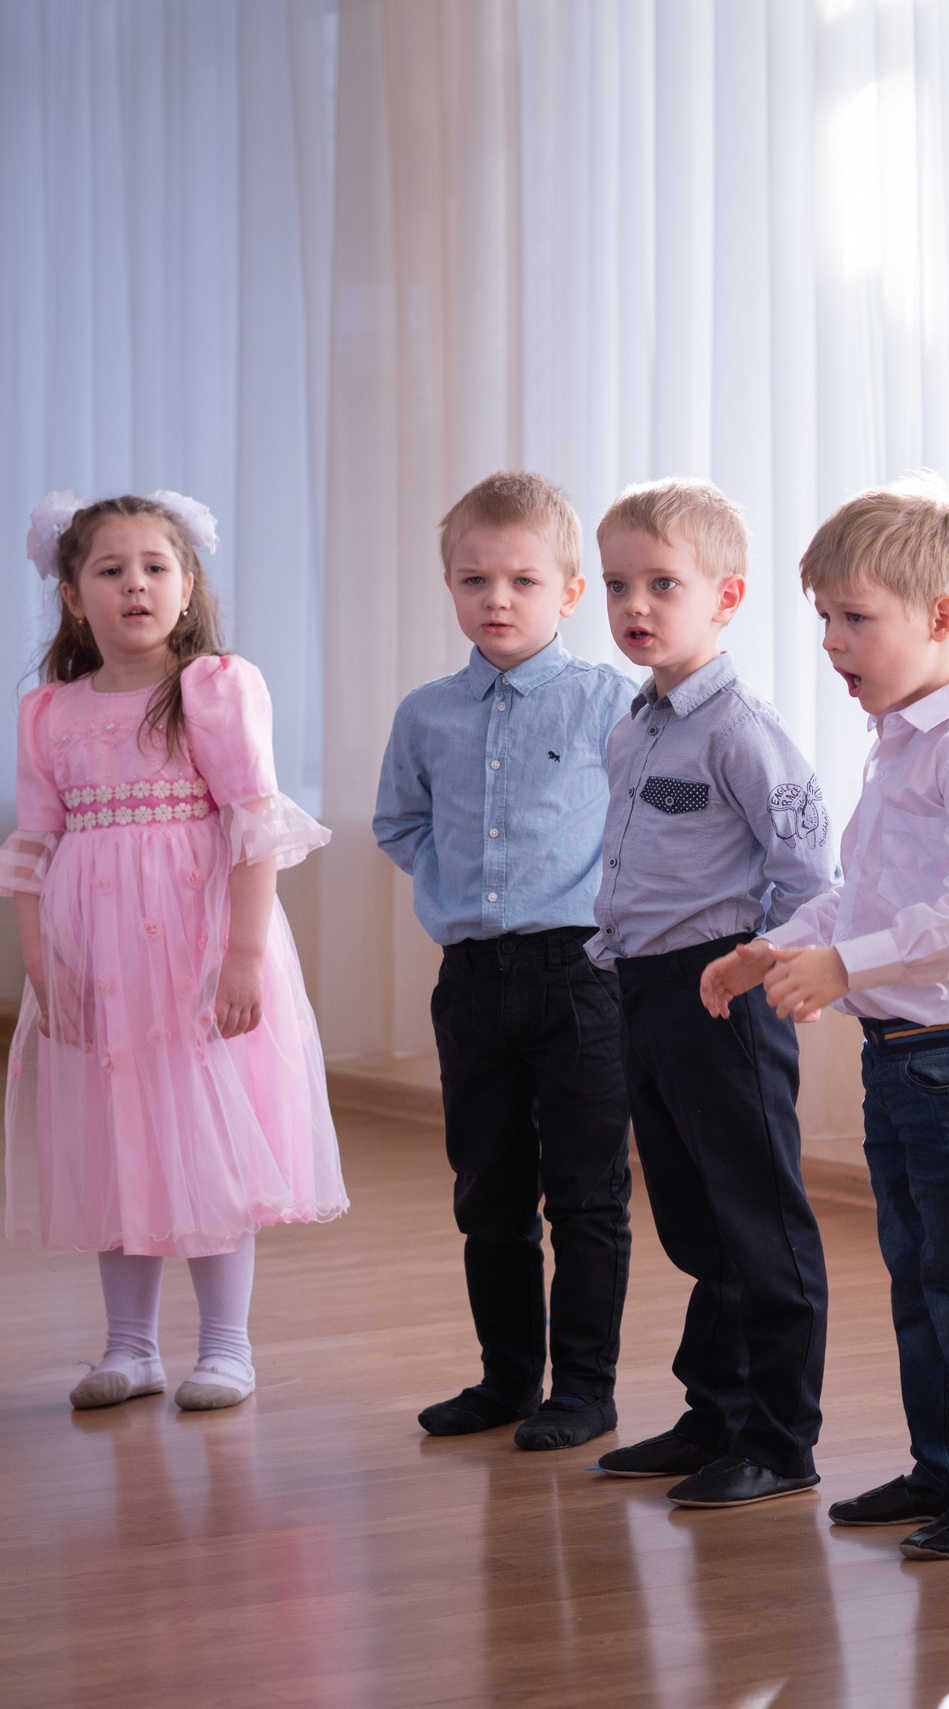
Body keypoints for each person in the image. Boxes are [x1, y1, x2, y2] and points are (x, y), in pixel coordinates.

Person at [701, 478, 949, 1560]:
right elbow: (864, 892)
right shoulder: (898, 740)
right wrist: (778, 946)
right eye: (823, 617)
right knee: (917, 1272)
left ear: (941, 616)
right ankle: (942, 1465)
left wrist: (842, 965)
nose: (829, 641)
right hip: (898, 1055)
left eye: (854, 617)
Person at [0, 490, 345, 1414]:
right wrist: (42, 967)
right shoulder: (47, 713)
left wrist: (243, 956)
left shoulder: (212, 689)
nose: (135, 585)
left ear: (187, 586)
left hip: (193, 951)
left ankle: (226, 1346)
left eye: (155, 567)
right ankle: (131, 1346)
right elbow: (31, 853)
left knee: (205, 1136)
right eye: (111, 570)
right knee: (115, 1137)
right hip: (95, 959)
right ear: (74, 596)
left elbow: (254, 831)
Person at [584, 477, 839, 1509]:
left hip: (721, 991)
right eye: (617, 585)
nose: (635, 605)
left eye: (662, 584)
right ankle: (716, 1413)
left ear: (726, 597)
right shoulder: (634, 726)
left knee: (756, 1217)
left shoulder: (742, 728)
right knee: (696, 1220)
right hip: (642, 989)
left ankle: (780, 1438)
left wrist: (762, 964)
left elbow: (809, 871)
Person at [376, 472, 638, 1451]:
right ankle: (506, 1378)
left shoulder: (614, 704)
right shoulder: (426, 715)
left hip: (583, 977)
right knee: (488, 1191)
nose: (498, 599)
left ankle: (586, 1388)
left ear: (569, 591)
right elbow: (398, 822)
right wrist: (460, 889)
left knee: (585, 1193)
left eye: (524, 581)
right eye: (475, 579)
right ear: (449, 584)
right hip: (474, 983)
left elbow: (657, 822)